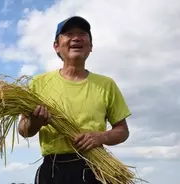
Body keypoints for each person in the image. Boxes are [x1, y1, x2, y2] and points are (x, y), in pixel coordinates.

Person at [18, 16, 131, 184]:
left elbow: (122, 131)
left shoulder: (106, 84)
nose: (76, 38)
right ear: (56, 46)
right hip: (53, 170)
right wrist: (35, 122)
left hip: (94, 168)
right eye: (69, 34)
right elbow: (23, 130)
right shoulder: (39, 83)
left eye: (82, 34)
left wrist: (100, 137)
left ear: (91, 46)